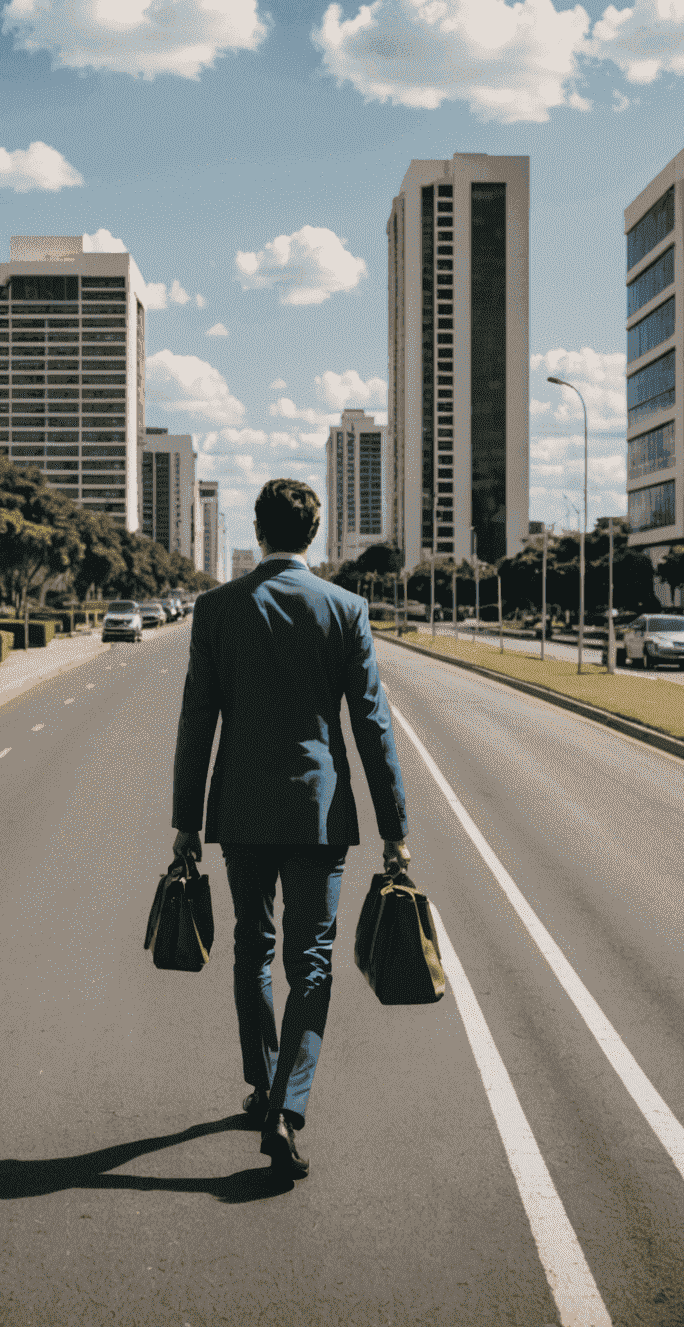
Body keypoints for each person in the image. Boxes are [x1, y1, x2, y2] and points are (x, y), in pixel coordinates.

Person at [170, 478, 410, 1181]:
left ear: (259, 528)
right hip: (317, 812)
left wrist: (186, 821)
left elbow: (197, 722)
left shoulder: (217, 609)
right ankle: (287, 1106)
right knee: (310, 960)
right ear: (314, 531)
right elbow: (372, 726)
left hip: (240, 811)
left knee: (253, 945)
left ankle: (260, 1084)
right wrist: (395, 828)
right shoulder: (346, 609)